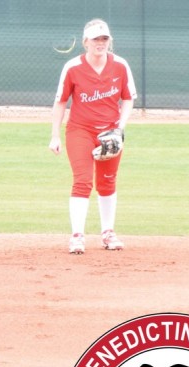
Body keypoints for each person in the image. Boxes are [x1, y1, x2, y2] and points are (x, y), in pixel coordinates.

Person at [49, 19, 137, 254]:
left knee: (107, 181)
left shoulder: (120, 65)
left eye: (104, 39)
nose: (100, 43)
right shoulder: (72, 68)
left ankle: (107, 233)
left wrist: (119, 129)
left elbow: (128, 98)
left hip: (110, 132)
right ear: (85, 42)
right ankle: (77, 235)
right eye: (96, 39)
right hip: (80, 131)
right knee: (83, 180)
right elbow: (60, 103)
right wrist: (54, 136)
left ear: (110, 41)